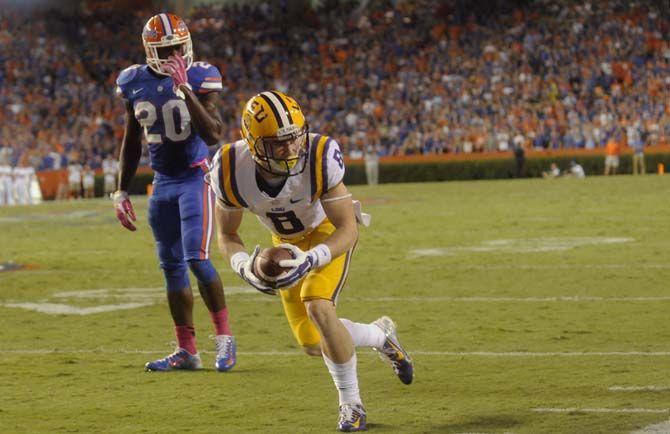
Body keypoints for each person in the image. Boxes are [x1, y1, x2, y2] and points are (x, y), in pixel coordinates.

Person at [210, 91, 413, 432]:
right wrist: (245, 266)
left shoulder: (319, 155)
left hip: (326, 233)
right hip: (285, 244)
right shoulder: (230, 167)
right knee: (311, 342)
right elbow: (227, 236)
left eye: (294, 139)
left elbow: (348, 227)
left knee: (318, 306)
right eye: (278, 144)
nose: (291, 149)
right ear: (254, 143)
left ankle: (351, 405)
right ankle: (380, 336)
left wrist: (315, 257)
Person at [113, 13, 235, 372]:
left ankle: (225, 339)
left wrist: (185, 90)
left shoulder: (200, 76)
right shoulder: (133, 81)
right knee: (171, 268)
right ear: (151, 50)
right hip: (163, 183)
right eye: (166, 50)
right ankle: (187, 350)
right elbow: (131, 140)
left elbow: (214, 134)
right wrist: (121, 189)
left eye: (178, 48)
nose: (174, 56)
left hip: (195, 178)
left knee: (197, 258)